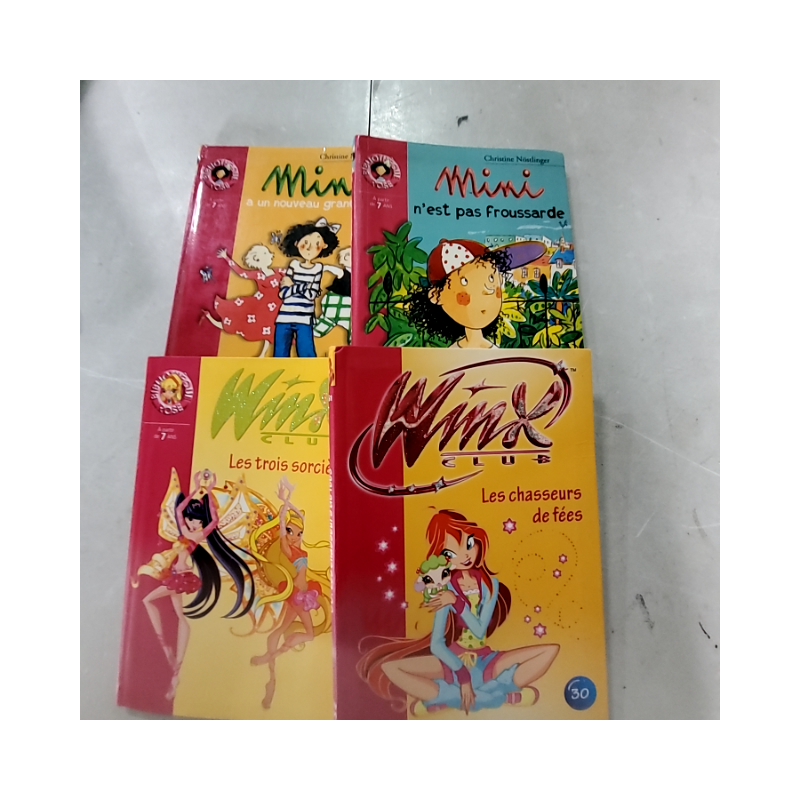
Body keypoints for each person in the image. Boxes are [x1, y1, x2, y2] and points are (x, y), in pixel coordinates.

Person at [357, 509, 559, 715]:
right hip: (453, 660)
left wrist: (456, 602)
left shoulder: (490, 585)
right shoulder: (445, 588)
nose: (465, 555)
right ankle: (498, 696)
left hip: (486, 660)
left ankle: (446, 700)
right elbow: (436, 644)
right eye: (451, 553)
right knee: (391, 668)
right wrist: (462, 675)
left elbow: (479, 630)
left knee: (549, 651)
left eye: (468, 544)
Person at [134, 469, 255, 700]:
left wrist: (208, 492)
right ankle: (175, 666)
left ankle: (169, 653)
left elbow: (214, 521)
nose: (192, 522)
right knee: (179, 615)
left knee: (149, 601)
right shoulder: (183, 530)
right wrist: (197, 488)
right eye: (191, 519)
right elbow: (180, 510)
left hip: (181, 577)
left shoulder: (197, 536)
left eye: (197, 520)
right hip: (175, 575)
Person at [250, 476, 331, 708]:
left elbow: (300, 518)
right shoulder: (287, 548)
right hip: (298, 594)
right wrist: (284, 508)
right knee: (309, 633)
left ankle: (271, 680)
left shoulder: (300, 548)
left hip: (303, 593)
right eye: (290, 532)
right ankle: (269, 659)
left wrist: (288, 499)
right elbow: (283, 525)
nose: (295, 536)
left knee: (278, 632)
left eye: (299, 533)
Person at [273, 218, 342, 357]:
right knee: (280, 354)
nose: (310, 248)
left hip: (304, 318)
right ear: (297, 243)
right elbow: (283, 294)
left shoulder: (317, 268)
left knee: (307, 354)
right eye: (306, 243)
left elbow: (311, 294)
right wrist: (304, 287)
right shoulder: (293, 264)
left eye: (317, 244)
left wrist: (293, 286)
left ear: (324, 246)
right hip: (284, 316)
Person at [202, 246, 283, 356]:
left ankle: (263, 353)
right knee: (248, 322)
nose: (269, 255)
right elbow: (241, 272)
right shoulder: (258, 274)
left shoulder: (278, 271)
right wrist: (226, 257)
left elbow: (294, 273)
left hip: (277, 305)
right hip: (262, 305)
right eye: (265, 254)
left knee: (270, 328)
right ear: (256, 260)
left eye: (267, 253)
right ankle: (212, 319)